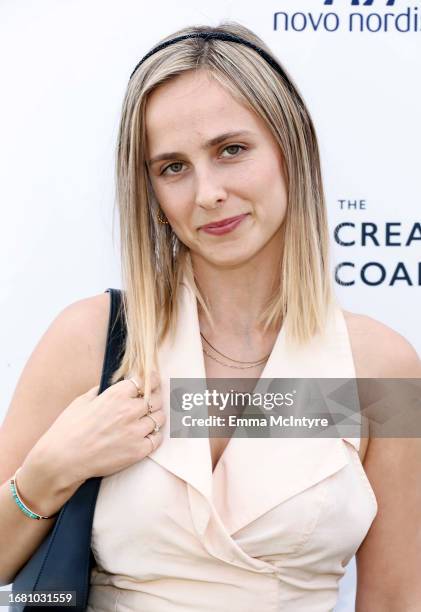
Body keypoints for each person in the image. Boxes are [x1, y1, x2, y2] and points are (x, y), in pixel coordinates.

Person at [1, 20, 420, 612]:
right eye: (172, 166)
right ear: (147, 187)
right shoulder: (95, 340)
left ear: (290, 148)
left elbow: (397, 597)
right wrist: (47, 474)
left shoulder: (379, 366)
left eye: (231, 150)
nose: (208, 193)